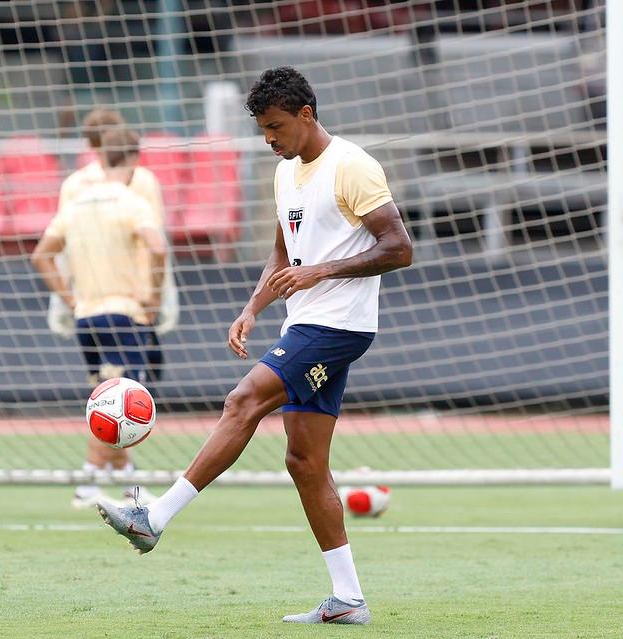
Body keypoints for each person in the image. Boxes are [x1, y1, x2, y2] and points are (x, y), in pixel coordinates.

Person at [96, 66, 413, 625]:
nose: (269, 139)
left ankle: (155, 517)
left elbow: (399, 247)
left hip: (339, 327)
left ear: (306, 115)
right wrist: (252, 309)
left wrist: (322, 271)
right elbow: (282, 253)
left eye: (276, 127)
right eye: (263, 129)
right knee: (304, 462)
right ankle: (348, 600)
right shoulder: (285, 173)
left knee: (242, 401)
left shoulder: (353, 167)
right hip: (303, 324)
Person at [31, 127, 168, 508]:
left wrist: (71, 298)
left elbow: (41, 255)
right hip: (125, 314)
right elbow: (158, 249)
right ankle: (88, 485)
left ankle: (130, 486)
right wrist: (154, 295)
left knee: (110, 400)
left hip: (87, 317)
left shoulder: (77, 203)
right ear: (134, 159)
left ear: (101, 157)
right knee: (121, 407)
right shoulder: (132, 201)